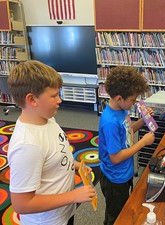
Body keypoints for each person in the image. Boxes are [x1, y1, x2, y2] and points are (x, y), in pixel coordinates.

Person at [7, 60, 96, 225]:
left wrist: (75, 165)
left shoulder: (47, 119)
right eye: (54, 95)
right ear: (32, 100)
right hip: (47, 221)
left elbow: (55, 152)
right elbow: (21, 204)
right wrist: (73, 196)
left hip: (63, 211)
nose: (59, 100)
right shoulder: (27, 146)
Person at [98, 66, 155, 225]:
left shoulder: (122, 111)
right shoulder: (110, 122)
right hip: (114, 179)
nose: (134, 102)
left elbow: (127, 130)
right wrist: (142, 143)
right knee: (115, 216)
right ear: (118, 98)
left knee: (124, 207)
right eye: (132, 99)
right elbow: (115, 158)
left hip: (124, 173)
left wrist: (143, 121)